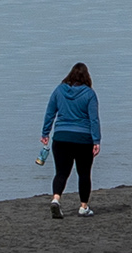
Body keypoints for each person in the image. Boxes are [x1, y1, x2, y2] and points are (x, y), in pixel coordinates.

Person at [42, 60, 103, 217]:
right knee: (84, 173)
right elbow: (94, 119)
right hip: (83, 139)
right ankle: (83, 207)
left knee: (61, 172)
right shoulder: (89, 94)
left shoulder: (59, 90)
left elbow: (50, 113)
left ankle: (56, 198)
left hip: (61, 137)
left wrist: (45, 133)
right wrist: (96, 141)